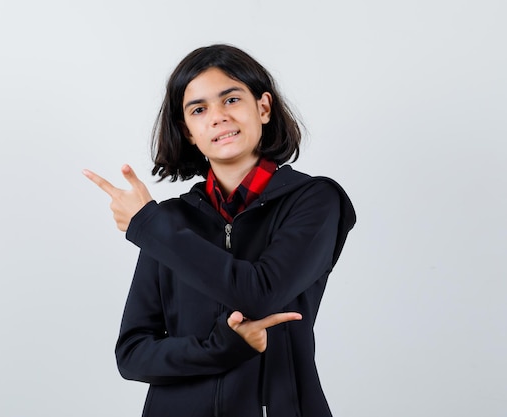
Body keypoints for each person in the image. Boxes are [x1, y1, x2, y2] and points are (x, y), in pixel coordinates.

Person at [83, 44, 356, 417]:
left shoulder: (314, 200)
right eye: (199, 109)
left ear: (263, 107)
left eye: (230, 99)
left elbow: (261, 292)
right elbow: (132, 355)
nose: (217, 117)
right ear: (188, 131)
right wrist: (221, 347)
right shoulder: (171, 220)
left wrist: (147, 225)